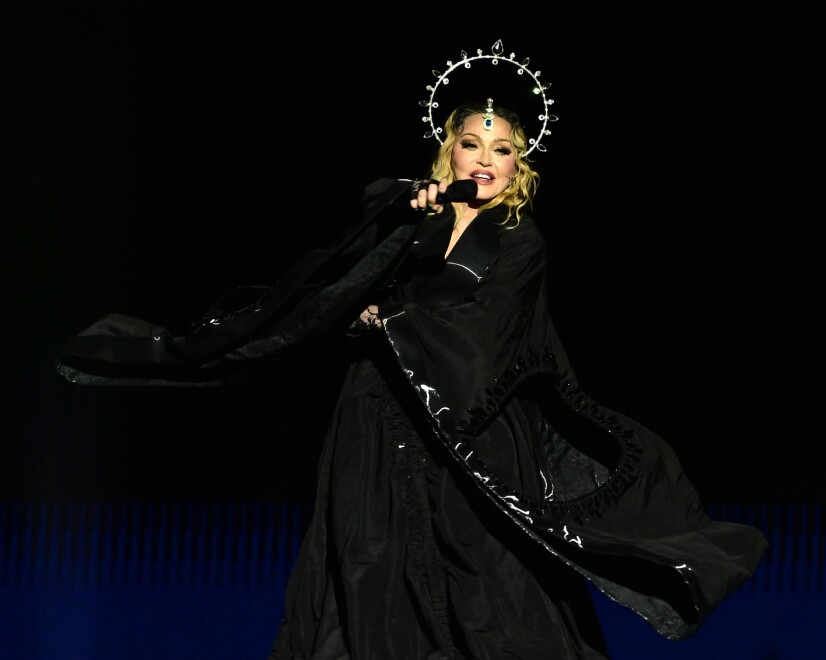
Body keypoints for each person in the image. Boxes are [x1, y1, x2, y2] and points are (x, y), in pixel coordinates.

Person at [55, 74, 768, 660]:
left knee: (491, 589)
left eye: (503, 149)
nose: (485, 159)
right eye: (470, 143)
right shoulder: (404, 212)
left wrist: (389, 322)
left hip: (474, 437)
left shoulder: (521, 243)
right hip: (377, 419)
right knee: (369, 570)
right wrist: (402, 223)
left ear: (522, 163)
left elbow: (485, 337)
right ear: (448, 151)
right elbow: (329, 291)